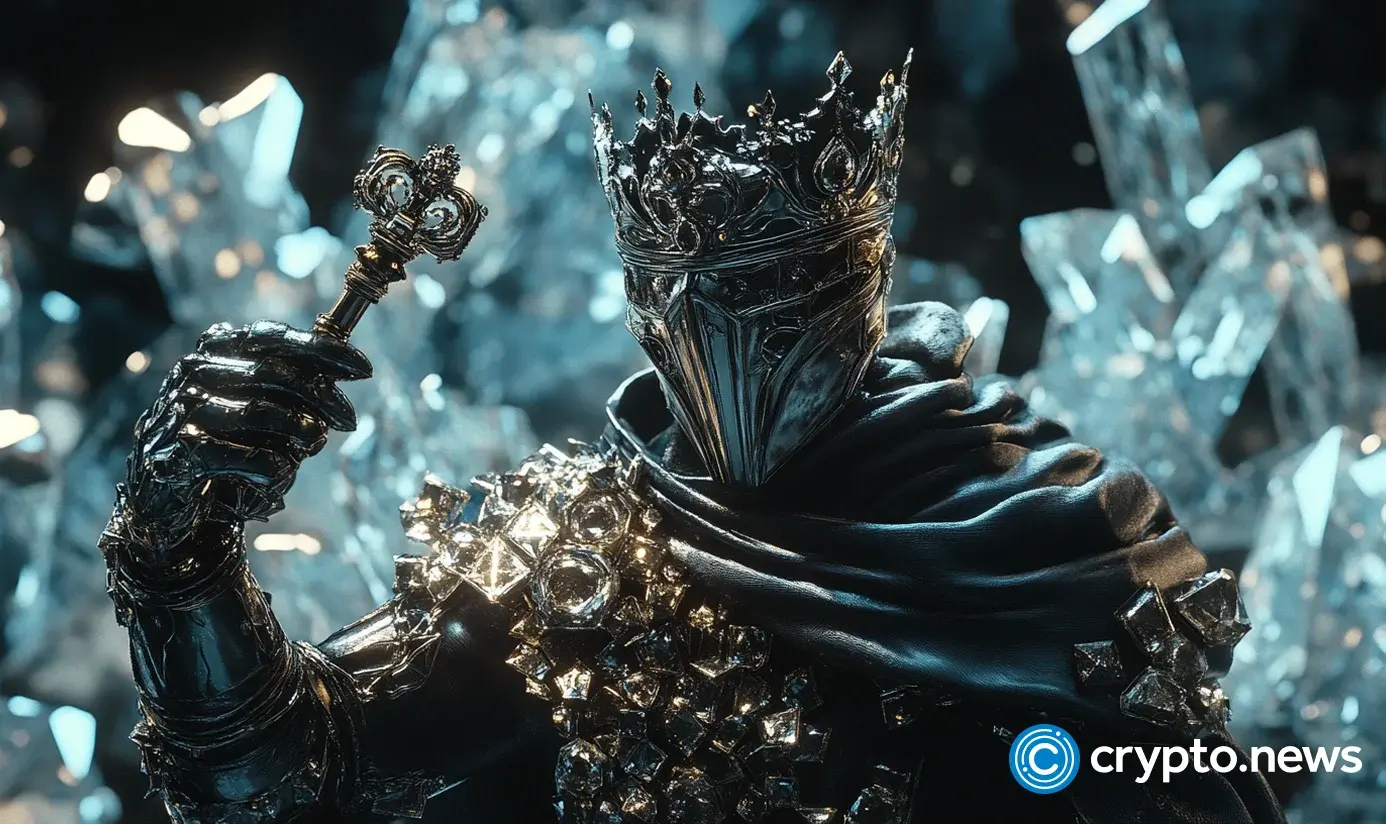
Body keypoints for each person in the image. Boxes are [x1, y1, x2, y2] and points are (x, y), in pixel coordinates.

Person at [98, 51, 1285, 824]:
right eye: (681, 303)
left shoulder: (1053, 528)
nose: (729, 350)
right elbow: (286, 774)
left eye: (775, 296)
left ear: (867, 280)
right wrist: (175, 555)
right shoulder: (574, 546)